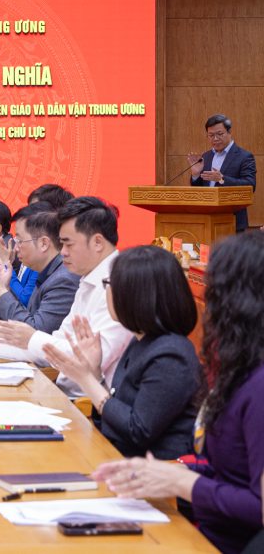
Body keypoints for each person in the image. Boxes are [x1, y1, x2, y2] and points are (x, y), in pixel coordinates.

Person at [93, 232, 264, 553]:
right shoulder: (240, 368)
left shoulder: (257, 383)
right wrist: (166, 470)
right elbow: (229, 471)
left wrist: (181, 482)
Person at [43, 245, 200, 460]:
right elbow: (115, 415)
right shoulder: (141, 340)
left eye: (109, 283)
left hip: (153, 475)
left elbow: (138, 431)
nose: (106, 290)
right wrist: (95, 373)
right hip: (117, 455)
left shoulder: (171, 355)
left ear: (137, 295)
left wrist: (86, 379)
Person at [0, 196, 133, 397]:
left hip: (89, 406)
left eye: (68, 244)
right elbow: (58, 342)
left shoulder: (119, 283)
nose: (62, 252)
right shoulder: (87, 279)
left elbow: (92, 361)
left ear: (97, 242)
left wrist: (32, 337)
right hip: (63, 391)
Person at [0, 206, 79, 334]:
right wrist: (4, 288)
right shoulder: (46, 271)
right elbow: (25, 314)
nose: (15, 248)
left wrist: (1, 293)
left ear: (44, 244)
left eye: (20, 241)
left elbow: (36, 333)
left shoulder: (63, 279)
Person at [188, 114, 257, 232]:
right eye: (211, 135)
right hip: (207, 220)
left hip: (232, 220)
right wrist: (195, 175)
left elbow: (250, 185)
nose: (215, 139)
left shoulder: (244, 156)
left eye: (219, 134)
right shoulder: (206, 156)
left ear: (229, 132)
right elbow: (199, 189)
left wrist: (222, 179)